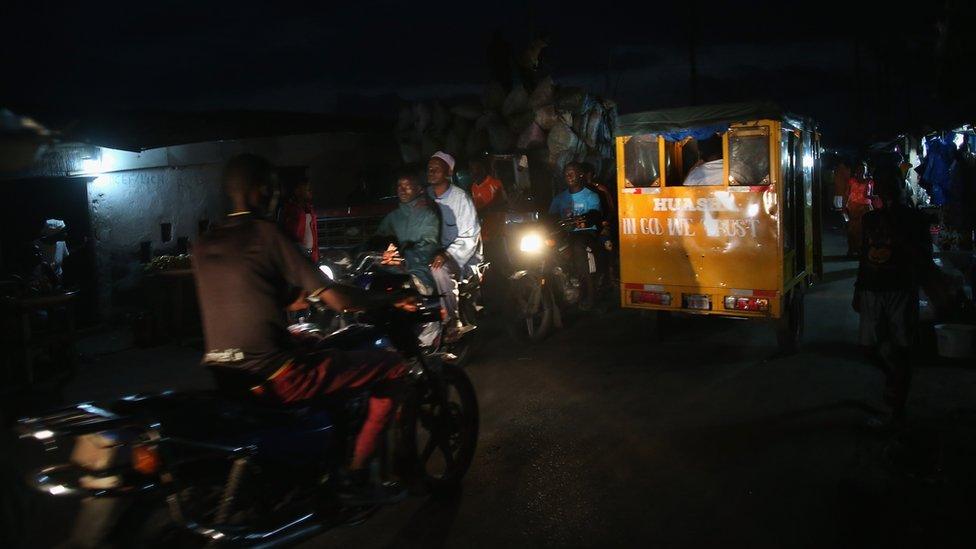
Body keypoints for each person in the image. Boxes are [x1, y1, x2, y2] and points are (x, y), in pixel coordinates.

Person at [193, 154, 414, 500]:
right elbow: (341, 302)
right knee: (393, 367)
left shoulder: (206, 241)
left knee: (311, 336)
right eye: (272, 188)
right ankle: (357, 476)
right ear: (260, 190)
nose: (276, 195)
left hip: (227, 373)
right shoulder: (265, 233)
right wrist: (389, 300)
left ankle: (329, 442)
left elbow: (251, 289)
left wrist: (289, 298)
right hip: (278, 375)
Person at [853, 163, 934, 429]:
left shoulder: (915, 219)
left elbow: (924, 257)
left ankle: (897, 411)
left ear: (900, 189)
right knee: (868, 347)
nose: (884, 193)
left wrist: (900, 238)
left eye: (889, 187)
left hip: (900, 288)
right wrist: (858, 288)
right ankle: (893, 380)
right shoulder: (870, 219)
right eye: (881, 187)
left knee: (902, 349)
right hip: (871, 289)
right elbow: (865, 258)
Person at [426, 151, 481, 340]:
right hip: (431, 253)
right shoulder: (424, 196)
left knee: (438, 270)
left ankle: (452, 321)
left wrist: (446, 255)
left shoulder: (461, 199)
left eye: (437, 169)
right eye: (429, 168)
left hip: (461, 257)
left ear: (448, 172)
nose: (431, 172)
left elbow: (469, 237)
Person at [549, 162, 605, 309]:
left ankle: (590, 293)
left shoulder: (591, 195)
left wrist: (581, 221)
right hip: (566, 233)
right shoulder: (559, 198)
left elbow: (594, 215)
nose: (569, 176)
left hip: (586, 233)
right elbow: (550, 218)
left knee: (578, 245)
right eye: (566, 173)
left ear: (580, 174)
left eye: (572, 172)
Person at [374, 169, 441, 293]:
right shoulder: (393, 217)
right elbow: (378, 239)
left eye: (407, 186)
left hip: (419, 271)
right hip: (391, 270)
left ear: (419, 189)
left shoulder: (428, 215)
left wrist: (405, 256)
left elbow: (429, 246)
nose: (402, 190)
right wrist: (382, 252)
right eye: (399, 186)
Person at [468, 156, 507, 245]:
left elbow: (502, 204)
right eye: (470, 169)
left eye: (473, 168)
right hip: (484, 233)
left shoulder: (495, 183)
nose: (471, 172)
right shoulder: (474, 187)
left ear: (482, 169)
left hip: (497, 232)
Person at [281, 179, 319, 262]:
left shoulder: (310, 210)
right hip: (297, 256)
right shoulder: (291, 209)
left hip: (310, 255)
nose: (310, 191)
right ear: (297, 191)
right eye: (307, 189)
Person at [846, 160, 874, 257]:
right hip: (853, 207)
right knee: (852, 230)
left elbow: (870, 195)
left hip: (865, 207)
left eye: (863, 169)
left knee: (863, 230)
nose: (861, 171)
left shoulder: (869, 181)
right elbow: (847, 193)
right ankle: (852, 249)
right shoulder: (851, 181)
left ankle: (861, 249)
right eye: (859, 169)